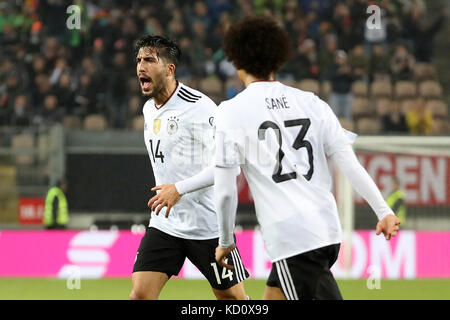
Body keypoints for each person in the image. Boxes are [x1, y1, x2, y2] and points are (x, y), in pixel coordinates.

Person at [213, 17, 401, 300]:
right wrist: (383, 210)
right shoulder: (311, 102)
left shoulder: (230, 112)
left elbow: (226, 191)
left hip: (293, 240)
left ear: (236, 60)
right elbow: (348, 162)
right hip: (327, 231)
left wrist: (226, 240)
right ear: (277, 59)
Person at [129, 35, 249, 300]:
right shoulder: (149, 109)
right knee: (140, 295)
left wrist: (179, 189)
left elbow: (231, 168)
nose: (140, 66)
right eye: (138, 60)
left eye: (149, 60)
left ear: (170, 69)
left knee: (234, 302)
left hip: (207, 227)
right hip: (165, 224)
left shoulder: (200, 108)